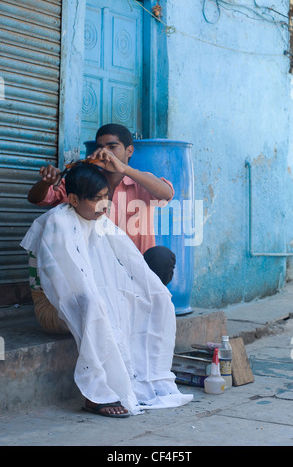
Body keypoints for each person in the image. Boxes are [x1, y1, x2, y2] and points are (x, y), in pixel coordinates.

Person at [21, 163, 193, 417]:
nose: (104, 205)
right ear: (73, 199)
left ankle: (149, 377)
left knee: (156, 298)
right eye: (96, 199)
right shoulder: (59, 222)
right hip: (52, 307)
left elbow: (124, 267)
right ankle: (96, 394)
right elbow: (68, 287)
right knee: (96, 304)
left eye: (106, 198)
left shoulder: (96, 220)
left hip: (83, 297)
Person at [28, 124, 176, 286]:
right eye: (101, 147)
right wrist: (45, 183)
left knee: (162, 256)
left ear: (129, 151)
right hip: (97, 271)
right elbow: (38, 199)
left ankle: (149, 304)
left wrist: (124, 169)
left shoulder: (140, 180)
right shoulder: (85, 181)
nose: (106, 153)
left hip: (135, 271)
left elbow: (166, 193)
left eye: (113, 147)